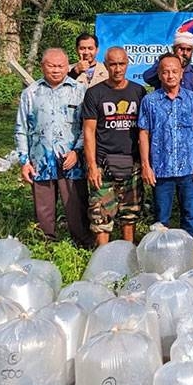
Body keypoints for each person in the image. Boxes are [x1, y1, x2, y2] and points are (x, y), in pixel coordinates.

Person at [14, 48, 92, 247]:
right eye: (51, 66)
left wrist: (77, 151)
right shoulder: (30, 93)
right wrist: (24, 161)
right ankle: (45, 248)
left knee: (76, 208)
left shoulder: (80, 91)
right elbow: (21, 128)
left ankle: (82, 246)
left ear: (68, 67)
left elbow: (88, 127)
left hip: (72, 161)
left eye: (61, 66)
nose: (56, 70)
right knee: (43, 211)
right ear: (43, 67)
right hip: (40, 161)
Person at [82, 47, 148, 245]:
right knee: (101, 214)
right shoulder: (95, 93)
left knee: (130, 212)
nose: (117, 69)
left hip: (132, 162)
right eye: (113, 64)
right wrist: (92, 166)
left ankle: (127, 253)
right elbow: (88, 132)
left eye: (121, 64)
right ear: (106, 65)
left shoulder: (138, 91)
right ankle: (103, 257)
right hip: (103, 162)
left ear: (127, 64)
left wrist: (145, 163)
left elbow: (144, 131)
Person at [138, 53, 193, 237]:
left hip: (188, 169)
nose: (170, 75)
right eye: (165, 72)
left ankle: (188, 249)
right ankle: (162, 255)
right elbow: (143, 133)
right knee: (161, 218)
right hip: (161, 170)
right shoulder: (150, 101)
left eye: (174, 71)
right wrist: (146, 165)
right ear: (159, 74)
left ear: (181, 73)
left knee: (190, 215)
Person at [142, 31, 193, 98]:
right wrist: (168, 62)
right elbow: (147, 77)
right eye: (181, 49)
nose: (185, 53)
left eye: (188, 50)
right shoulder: (163, 67)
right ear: (174, 49)